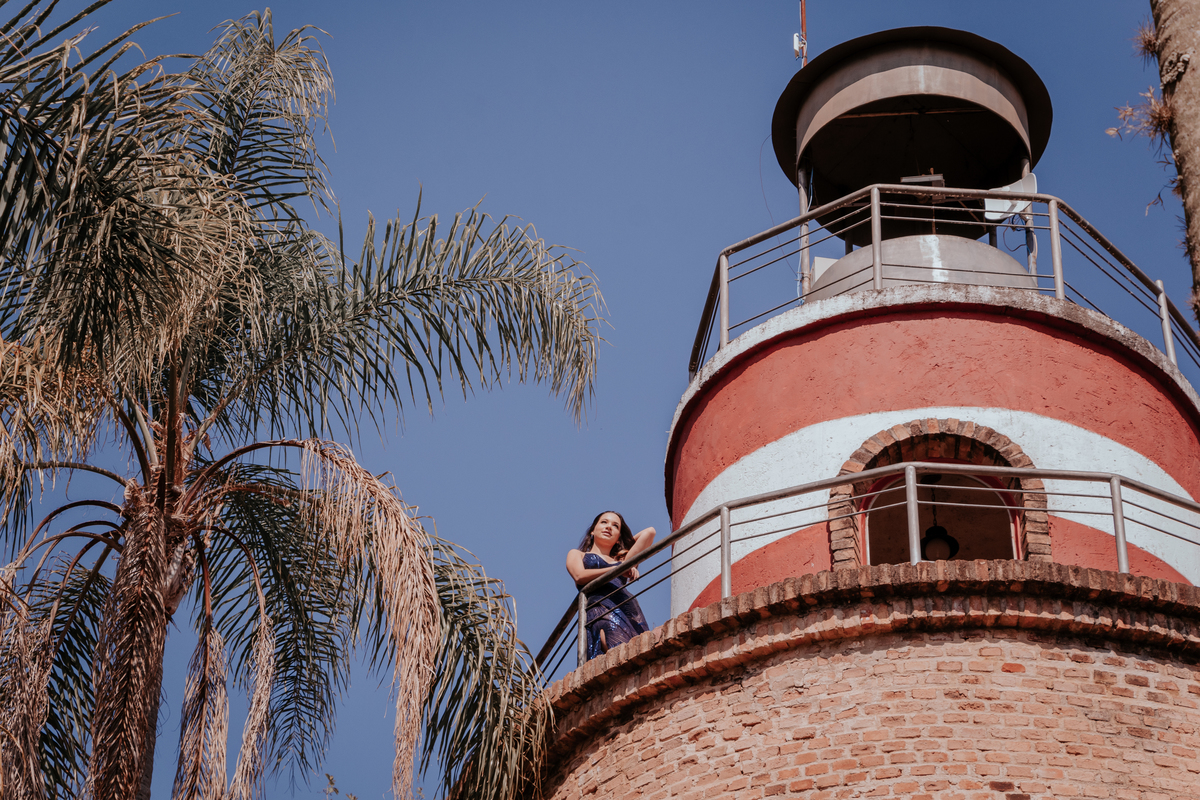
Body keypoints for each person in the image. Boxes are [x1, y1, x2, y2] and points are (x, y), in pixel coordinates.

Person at [566, 511, 655, 660]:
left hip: (627, 608)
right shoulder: (578, 554)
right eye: (604, 522)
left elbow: (650, 532)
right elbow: (579, 576)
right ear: (592, 530)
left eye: (615, 526)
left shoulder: (622, 560)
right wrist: (618, 568)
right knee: (615, 650)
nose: (609, 527)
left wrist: (623, 549)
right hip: (599, 606)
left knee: (636, 652)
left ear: (618, 537)